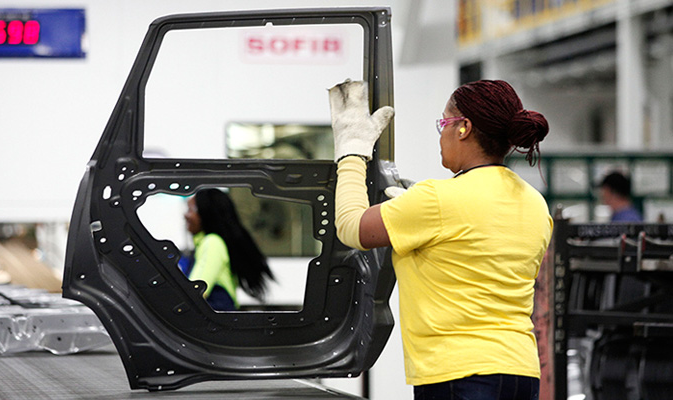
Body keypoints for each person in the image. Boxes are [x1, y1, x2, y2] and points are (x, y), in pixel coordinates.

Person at [329, 79, 552, 400]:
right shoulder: (534, 203)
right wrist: (410, 211)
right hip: (522, 373)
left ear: (463, 128)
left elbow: (351, 227)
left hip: (459, 374)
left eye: (443, 123)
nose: (441, 134)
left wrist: (351, 152)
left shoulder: (436, 199)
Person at [183, 188, 274, 311]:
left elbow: (195, 293)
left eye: (191, 209)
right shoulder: (207, 244)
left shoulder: (212, 242)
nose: (185, 215)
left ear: (206, 213)